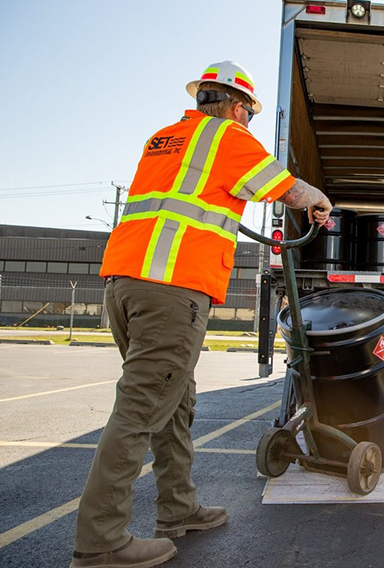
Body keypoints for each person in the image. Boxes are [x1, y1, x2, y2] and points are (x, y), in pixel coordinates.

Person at [70, 61, 332, 568]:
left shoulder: (164, 139)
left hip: (126, 285)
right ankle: (101, 540)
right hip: (172, 289)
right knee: (140, 410)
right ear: (237, 108)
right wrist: (318, 200)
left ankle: (178, 509)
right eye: (250, 115)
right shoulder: (229, 138)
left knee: (175, 401)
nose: (249, 123)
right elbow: (288, 191)